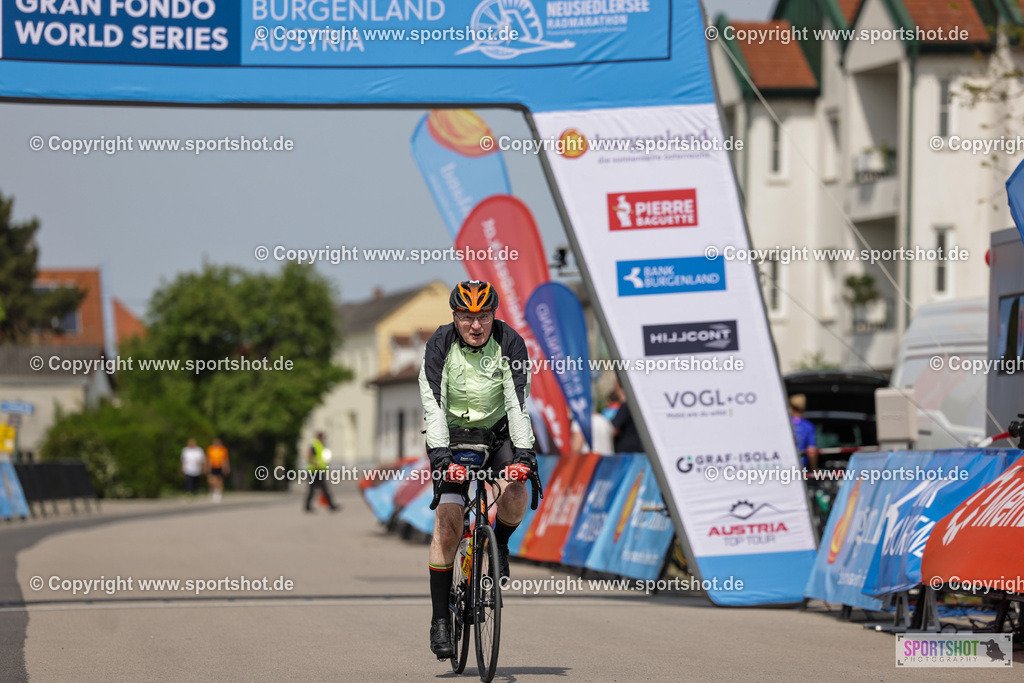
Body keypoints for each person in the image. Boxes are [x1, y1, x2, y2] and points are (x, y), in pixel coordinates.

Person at [419, 280, 539, 659]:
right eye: (467, 317)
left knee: (516, 491)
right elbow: (434, 405)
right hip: (451, 436)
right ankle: (440, 620)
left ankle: (500, 542)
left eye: (483, 317)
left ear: (493, 316)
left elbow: (518, 403)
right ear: (455, 316)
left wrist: (524, 456)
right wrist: (441, 460)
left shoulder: (510, 343)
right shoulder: (439, 345)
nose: (476, 325)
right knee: (450, 523)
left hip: (498, 432)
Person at [304, 432, 339, 512]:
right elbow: (309, 455)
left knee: (322, 488)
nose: (323, 439)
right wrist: (315, 463)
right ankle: (308, 506)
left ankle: (330, 505)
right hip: (314, 471)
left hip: (319, 470)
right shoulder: (314, 444)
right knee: (314, 489)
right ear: (319, 437)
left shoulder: (321, 445)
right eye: (322, 437)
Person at [610, 380, 643, 453]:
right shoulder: (636, 404)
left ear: (618, 386)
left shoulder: (626, 405)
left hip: (626, 452)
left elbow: (614, 429)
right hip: (637, 448)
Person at [790, 394, 819, 470]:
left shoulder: (784, 425)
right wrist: (814, 469)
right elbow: (811, 451)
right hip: (800, 467)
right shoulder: (808, 426)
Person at [205, 437, 230, 503]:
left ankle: (219, 493)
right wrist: (207, 467)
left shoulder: (223, 449)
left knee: (220, 480)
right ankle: (214, 490)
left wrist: (226, 468)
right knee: (212, 480)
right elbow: (208, 458)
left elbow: (225, 459)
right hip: (213, 466)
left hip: (220, 466)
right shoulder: (210, 449)